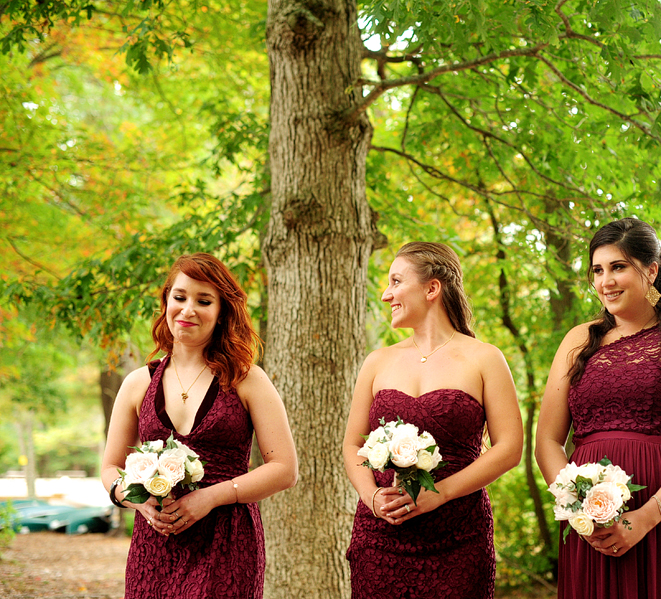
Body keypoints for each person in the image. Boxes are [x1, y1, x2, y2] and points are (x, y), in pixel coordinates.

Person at [535, 218, 661, 599]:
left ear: (651, 270)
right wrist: (578, 507)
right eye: (597, 270)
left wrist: (646, 516)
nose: (605, 281)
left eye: (618, 267)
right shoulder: (578, 340)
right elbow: (546, 441)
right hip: (591, 526)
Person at [101, 253, 298, 599]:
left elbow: (284, 469)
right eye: (180, 297)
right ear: (166, 302)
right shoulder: (137, 383)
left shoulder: (247, 380)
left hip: (227, 541)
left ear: (222, 312)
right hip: (155, 546)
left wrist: (210, 498)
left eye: (203, 301)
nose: (188, 310)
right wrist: (134, 499)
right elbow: (110, 467)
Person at [343, 241, 523, 599]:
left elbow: (509, 449)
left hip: (459, 536)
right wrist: (373, 497)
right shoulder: (377, 362)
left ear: (432, 288)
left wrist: (438, 495)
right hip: (380, 538)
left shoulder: (485, 359)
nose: (385, 294)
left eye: (395, 281)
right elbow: (352, 445)